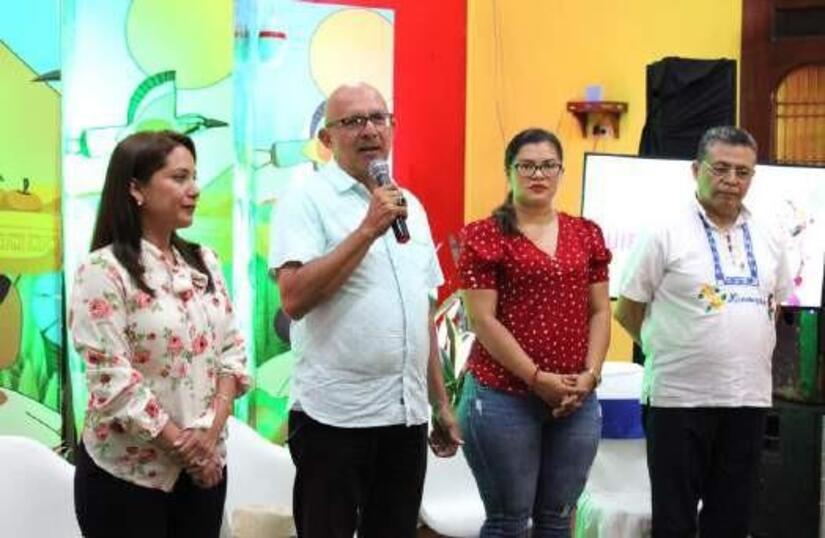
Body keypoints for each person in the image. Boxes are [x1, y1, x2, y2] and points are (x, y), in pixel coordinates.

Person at [268, 82, 462, 538]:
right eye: (353, 121)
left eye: (379, 118)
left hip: (405, 415)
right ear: (327, 138)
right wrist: (366, 230)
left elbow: (421, 311)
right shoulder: (306, 201)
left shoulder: (410, 205)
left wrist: (440, 403)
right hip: (334, 417)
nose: (369, 130)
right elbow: (293, 299)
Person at [69, 130, 251, 538]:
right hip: (127, 477)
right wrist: (185, 447)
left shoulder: (204, 261)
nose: (194, 189)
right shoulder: (103, 270)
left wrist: (208, 436)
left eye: (194, 177)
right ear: (136, 189)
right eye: (179, 178)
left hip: (205, 470)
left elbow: (232, 351)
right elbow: (113, 380)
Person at [614, 126, 792, 538]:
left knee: (732, 520)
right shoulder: (663, 230)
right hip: (678, 400)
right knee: (674, 521)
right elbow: (628, 310)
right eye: (721, 168)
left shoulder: (771, 234)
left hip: (747, 399)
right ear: (696, 170)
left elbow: (773, 304)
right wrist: (672, 349)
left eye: (743, 172)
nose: (732, 180)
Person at [457, 127, 612, 536]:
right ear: (509, 171)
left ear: (561, 171)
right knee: (509, 521)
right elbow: (483, 320)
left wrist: (590, 375)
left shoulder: (586, 233)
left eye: (548, 165)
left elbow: (600, 310)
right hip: (503, 395)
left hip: (576, 398)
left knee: (558, 519)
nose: (538, 174)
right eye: (526, 166)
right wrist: (536, 378)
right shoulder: (485, 236)